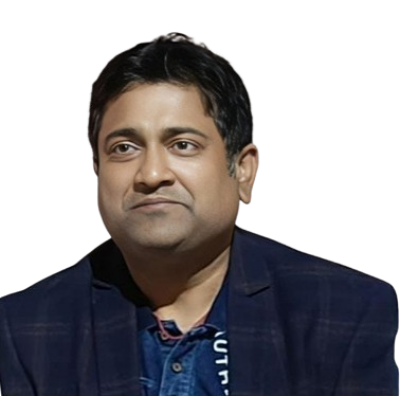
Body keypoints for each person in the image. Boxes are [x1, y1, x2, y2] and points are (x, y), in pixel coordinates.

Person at [0, 33, 398, 396]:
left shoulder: (342, 313)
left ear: (243, 170)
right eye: (124, 148)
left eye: (183, 145)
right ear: (97, 172)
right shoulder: (28, 328)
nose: (151, 174)